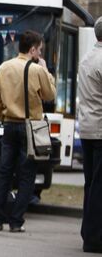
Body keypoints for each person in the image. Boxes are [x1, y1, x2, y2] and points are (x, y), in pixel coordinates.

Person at [0, 30, 55, 233]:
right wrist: (46, 70)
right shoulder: (36, 70)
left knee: (4, 172)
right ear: (33, 49)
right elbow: (50, 94)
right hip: (30, 127)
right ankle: (16, 221)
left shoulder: (4, 66)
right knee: (27, 175)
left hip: (9, 124)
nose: (40, 54)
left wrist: (2, 115)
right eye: (40, 50)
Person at [78, 17, 102, 253]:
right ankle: (94, 238)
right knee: (99, 185)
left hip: (87, 127)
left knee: (90, 184)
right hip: (100, 129)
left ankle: (88, 231)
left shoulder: (87, 57)